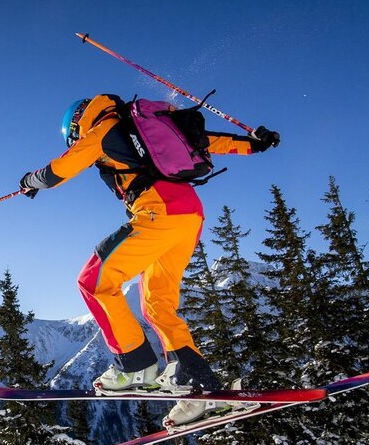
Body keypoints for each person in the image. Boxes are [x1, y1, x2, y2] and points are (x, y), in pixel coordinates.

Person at [18, 95, 279, 427]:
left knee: (94, 281)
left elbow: (58, 171)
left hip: (158, 212)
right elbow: (208, 141)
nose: (77, 140)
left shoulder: (101, 131)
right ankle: (197, 383)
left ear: (78, 123)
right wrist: (254, 145)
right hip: (190, 215)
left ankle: (135, 365)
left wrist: (30, 182)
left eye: (74, 136)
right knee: (158, 303)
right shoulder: (151, 128)